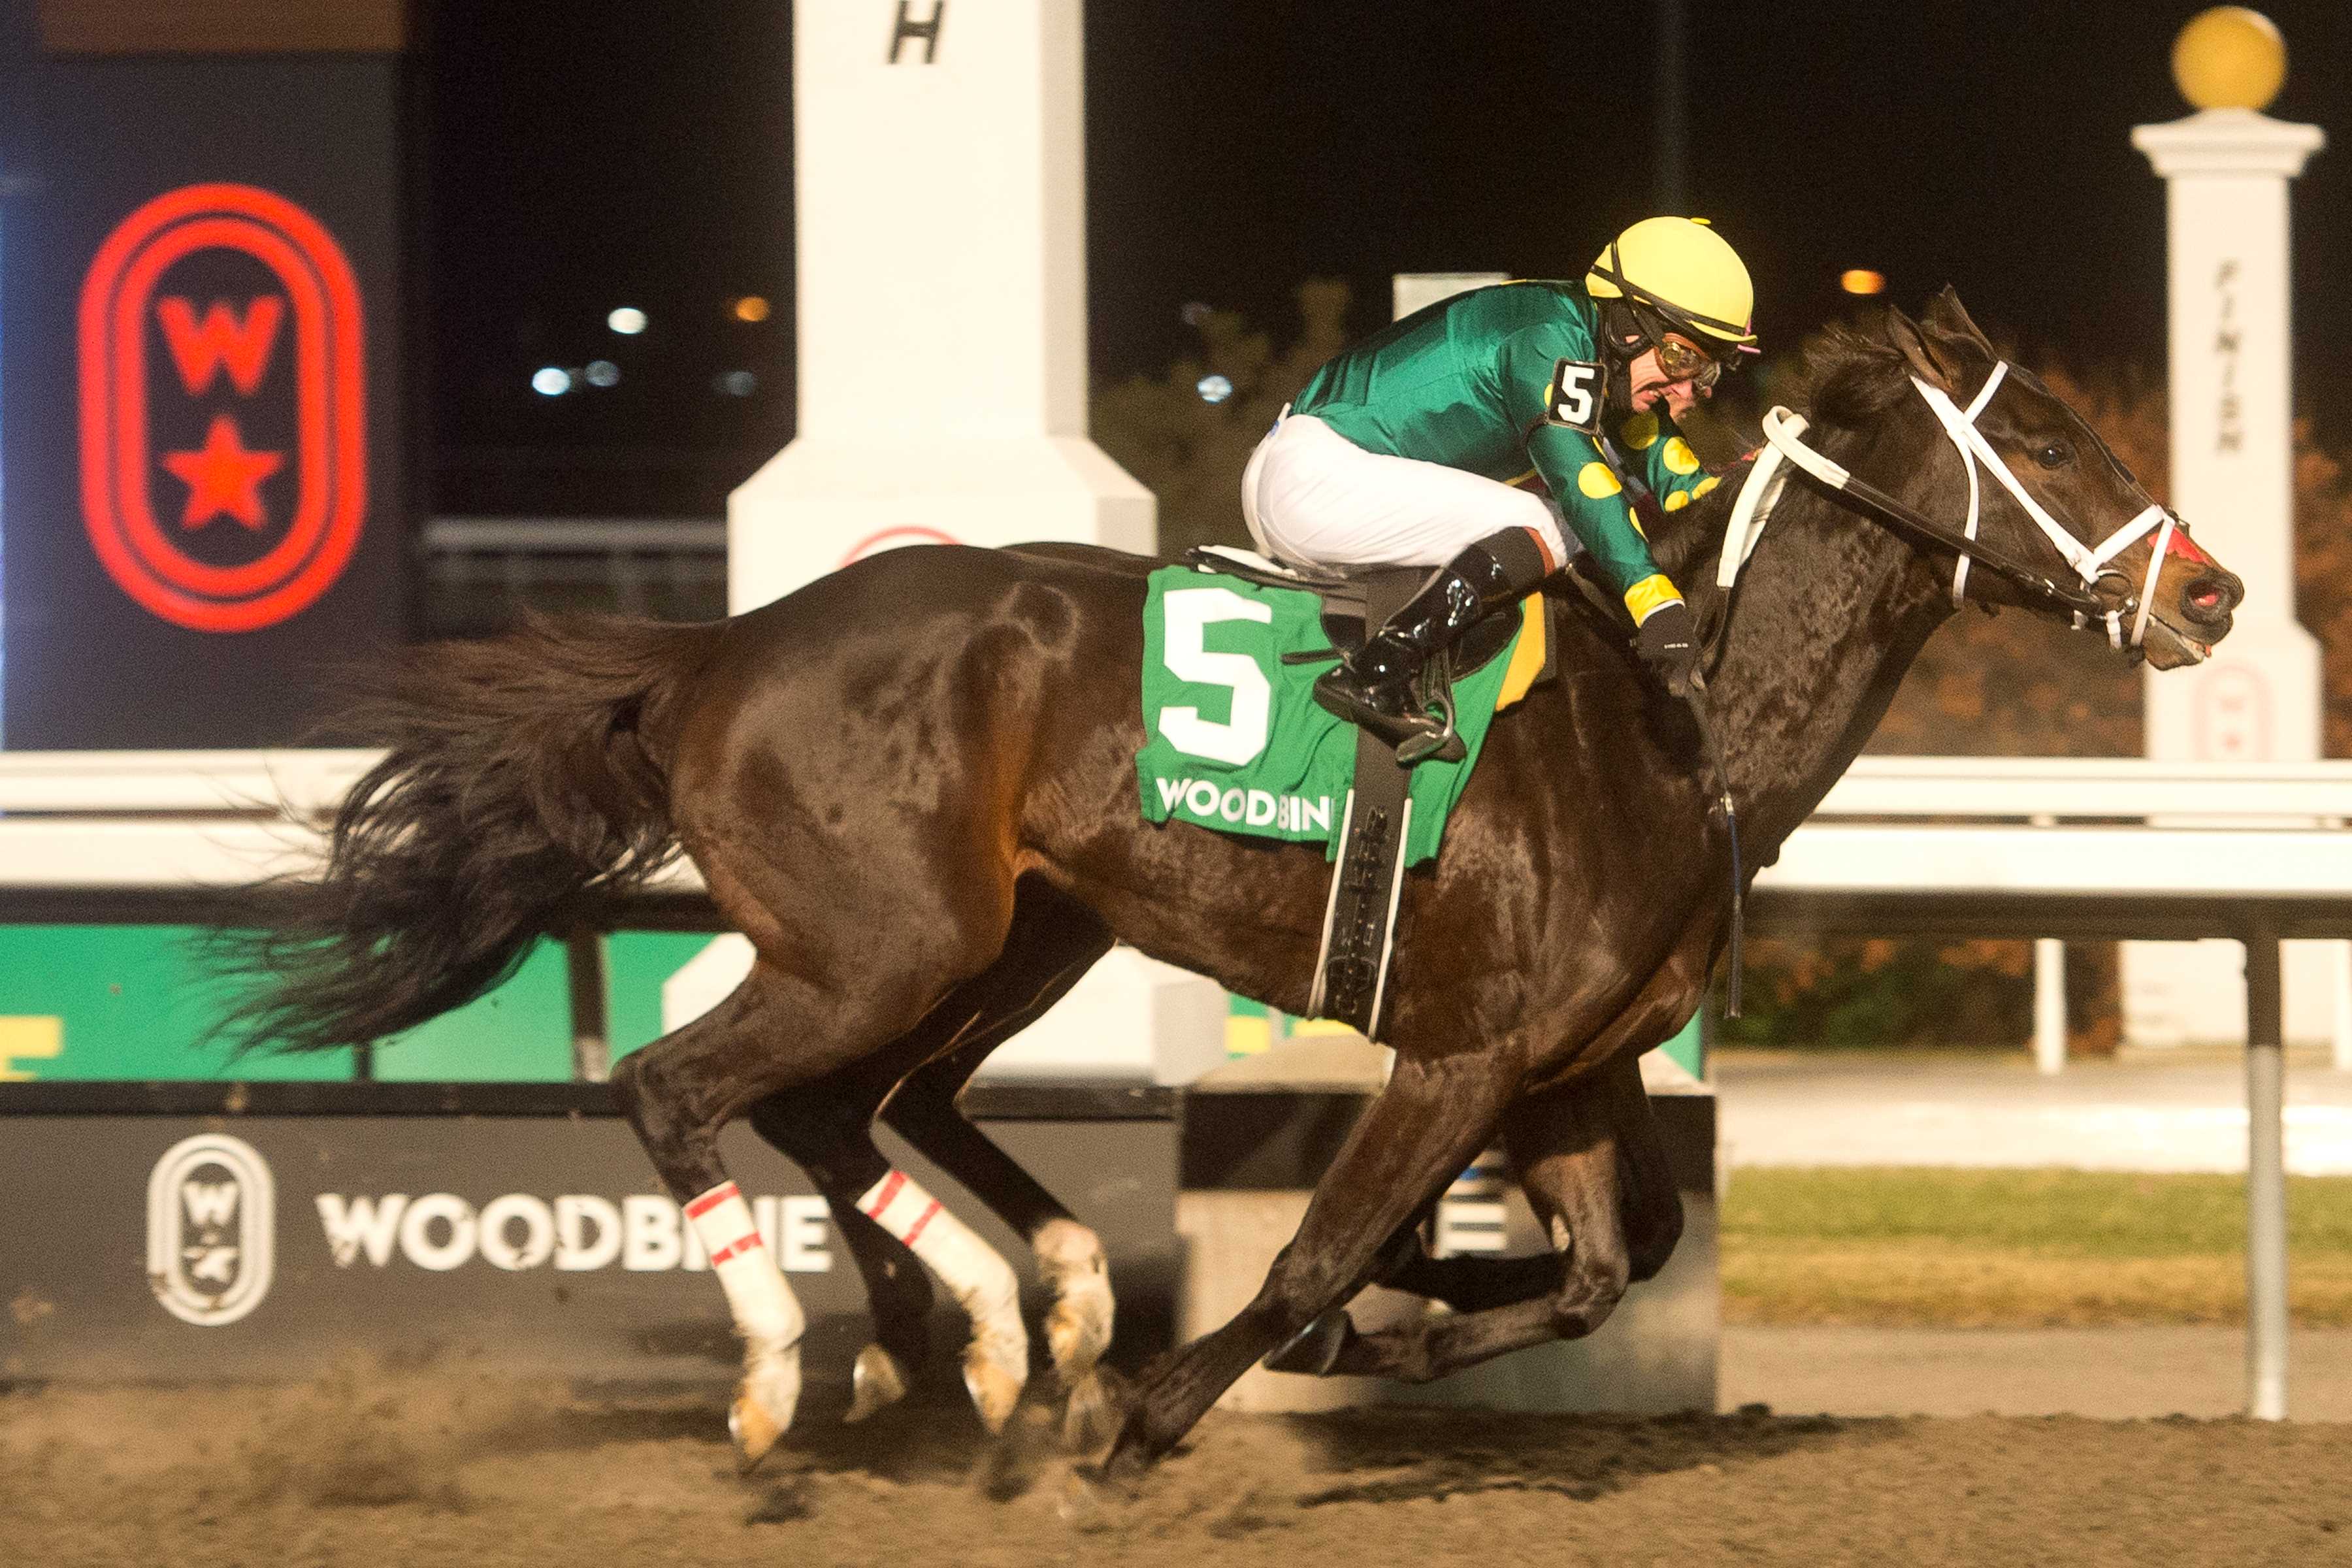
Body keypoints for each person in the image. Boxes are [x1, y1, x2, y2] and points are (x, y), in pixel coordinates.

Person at [1239, 216, 1758, 751]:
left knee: (1561, 522)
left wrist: (1754, 494)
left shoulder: (1584, 337)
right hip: (1311, 478)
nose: (1689, 385)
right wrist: (1656, 605)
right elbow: (1584, 483)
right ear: (1629, 323)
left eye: (1707, 369)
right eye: (1681, 356)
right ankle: (1378, 671)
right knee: (1550, 522)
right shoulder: (1548, 342)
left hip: (1312, 470)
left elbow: (1679, 479)